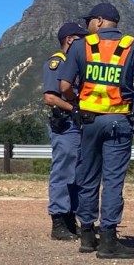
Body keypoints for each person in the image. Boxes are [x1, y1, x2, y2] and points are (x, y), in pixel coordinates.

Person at [58, 2, 134, 259]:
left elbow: (65, 84)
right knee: (112, 180)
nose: (87, 25)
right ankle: (109, 238)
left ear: (100, 21)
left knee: (88, 176)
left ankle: (88, 235)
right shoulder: (132, 45)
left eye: (90, 20)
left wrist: (78, 102)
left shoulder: (82, 46)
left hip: (89, 121)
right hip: (118, 120)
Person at [42, 22, 88, 241]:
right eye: (81, 38)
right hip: (66, 124)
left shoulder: (76, 64)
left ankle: (71, 218)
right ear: (70, 39)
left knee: (78, 173)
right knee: (63, 171)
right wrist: (75, 109)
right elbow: (50, 97)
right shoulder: (57, 63)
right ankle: (58, 219)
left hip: (78, 124)